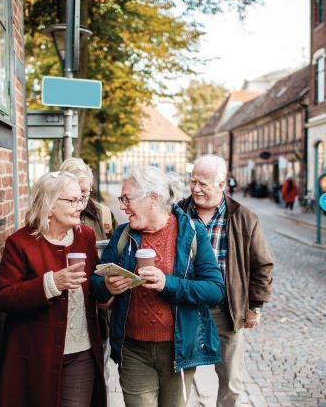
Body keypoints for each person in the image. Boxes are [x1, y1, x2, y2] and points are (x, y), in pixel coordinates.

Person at [90, 166, 225, 407]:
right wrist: (108, 285)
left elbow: (214, 289)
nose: (121, 206)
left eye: (126, 199)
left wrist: (167, 283)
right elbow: (96, 282)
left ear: (152, 198)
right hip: (133, 351)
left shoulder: (191, 233)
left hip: (179, 351)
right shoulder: (123, 235)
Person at [0, 171, 106, 407]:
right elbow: (4, 298)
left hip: (81, 351)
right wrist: (51, 283)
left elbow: (93, 285)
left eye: (81, 200)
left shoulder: (85, 236)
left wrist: (108, 286)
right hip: (35, 355)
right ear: (50, 205)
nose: (80, 207)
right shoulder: (20, 243)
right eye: (73, 201)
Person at [179, 154, 273, 407]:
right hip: (185, 308)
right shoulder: (177, 213)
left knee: (231, 382)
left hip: (225, 310)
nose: (196, 189)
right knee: (180, 380)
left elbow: (262, 265)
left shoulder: (244, 217)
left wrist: (255, 306)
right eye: (193, 181)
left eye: (204, 184)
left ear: (221, 184)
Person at [59, 157, 117, 400]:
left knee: (97, 372)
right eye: (77, 194)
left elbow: (116, 254)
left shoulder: (102, 215)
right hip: (65, 306)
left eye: (87, 192)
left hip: (98, 307)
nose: (82, 200)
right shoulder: (50, 217)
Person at [59, 157, 117, 241]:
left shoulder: (103, 214)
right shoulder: (53, 216)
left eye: (83, 191)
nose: (78, 197)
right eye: (74, 190)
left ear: (90, 188)